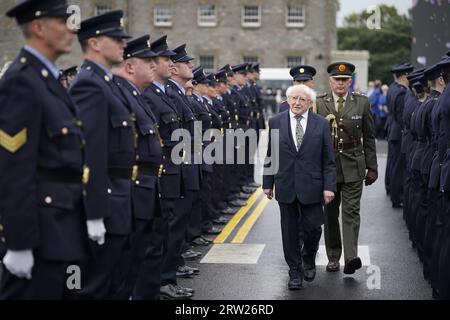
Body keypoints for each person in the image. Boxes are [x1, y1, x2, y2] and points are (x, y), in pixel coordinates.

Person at [0, 0, 90, 299]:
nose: (71, 29)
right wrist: (19, 243)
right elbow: (13, 168)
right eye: (62, 22)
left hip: (62, 226)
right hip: (40, 233)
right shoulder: (21, 82)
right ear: (38, 27)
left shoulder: (46, 80)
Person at [69, 10, 136, 299]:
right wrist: (94, 213)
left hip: (118, 200)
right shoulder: (89, 84)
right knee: (94, 288)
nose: (123, 45)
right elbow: (90, 152)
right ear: (95, 43)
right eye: (116, 39)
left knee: (114, 284)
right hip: (106, 202)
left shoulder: (105, 82)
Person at [263, 84, 336, 290]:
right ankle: (294, 272)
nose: (296, 103)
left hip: (313, 186)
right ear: (287, 100)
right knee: (289, 232)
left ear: (310, 103)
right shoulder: (276, 122)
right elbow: (271, 154)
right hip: (285, 184)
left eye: (301, 100)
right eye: (293, 99)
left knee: (313, 228)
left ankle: (308, 258)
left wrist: (329, 186)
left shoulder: (321, 124)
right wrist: (267, 183)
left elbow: (328, 159)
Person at [316, 62, 378, 274]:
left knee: (351, 212)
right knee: (330, 214)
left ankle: (351, 257)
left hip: (353, 164)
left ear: (350, 81)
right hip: (328, 167)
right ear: (330, 81)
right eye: (336, 79)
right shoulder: (319, 103)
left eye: (344, 80)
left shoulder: (362, 103)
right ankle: (333, 256)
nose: (340, 83)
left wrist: (372, 166)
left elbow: (369, 137)